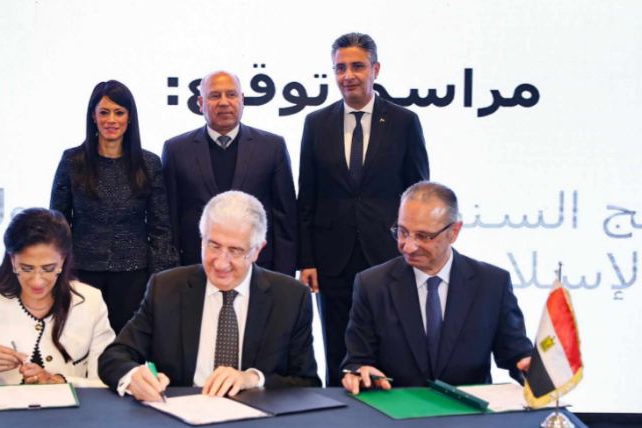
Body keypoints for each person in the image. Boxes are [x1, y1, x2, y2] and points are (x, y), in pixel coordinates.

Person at [297, 32, 430, 386]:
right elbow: (306, 198)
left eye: (357, 66)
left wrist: (415, 247)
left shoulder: (404, 122)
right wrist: (306, 260)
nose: (348, 76)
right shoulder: (316, 123)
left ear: (376, 69)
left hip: (389, 254)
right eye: (340, 68)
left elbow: (418, 195)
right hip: (332, 259)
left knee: (392, 346)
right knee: (337, 348)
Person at [99, 191, 319, 401]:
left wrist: (254, 379)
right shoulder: (166, 288)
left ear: (257, 251)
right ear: (201, 239)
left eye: (235, 251)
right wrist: (133, 376)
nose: (221, 263)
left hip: (258, 420)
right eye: (213, 246)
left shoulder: (290, 297)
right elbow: (114, 356)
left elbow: (307, 383)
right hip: (181, 416)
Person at [341, 182, 532, 394]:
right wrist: (359, 372)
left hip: (468, 410)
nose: (408, 246)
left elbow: (517, 355)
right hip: (398, 409)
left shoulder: (492, 283)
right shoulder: (372, 284)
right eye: (402, 232)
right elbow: (357, 361)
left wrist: (532, 368)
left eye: (423, 236)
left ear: (454, 232)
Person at [0, 208, 116, 387]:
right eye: (26, 268)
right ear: (12, 260)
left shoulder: (90, 301)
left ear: (63, 261)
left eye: (48, 268)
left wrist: (58, 381)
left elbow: (107, 384)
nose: (37, 281)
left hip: (71, 413)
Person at [50, 80, 178, 334]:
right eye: (104, 112)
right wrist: (58, 272)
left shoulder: (149, 163)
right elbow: (58, 223)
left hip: (134, 276)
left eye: (119, 112)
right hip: (81, 273)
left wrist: (160, 281)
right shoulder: (72, 161)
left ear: (129, 118)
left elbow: (161, 228)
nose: (111, 120)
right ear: (93, 116)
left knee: (127, 344)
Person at [162, 71, 297, 276]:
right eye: (215, 96)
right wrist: (173, 276)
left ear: (242, 100)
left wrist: (284, 278)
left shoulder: (272, 147)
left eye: (231, 95)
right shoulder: (176, 150)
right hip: (195, 270)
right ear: (200, 103)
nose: (224, 102)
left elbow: (285, 219)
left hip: (258, 269)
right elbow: (170, 220)